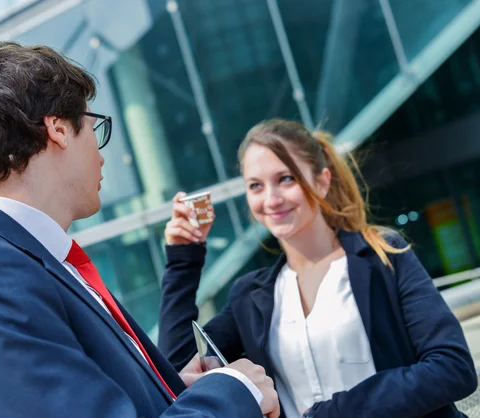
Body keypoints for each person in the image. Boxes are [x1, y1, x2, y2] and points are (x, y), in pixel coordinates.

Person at [0, 40, 280, 418]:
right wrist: (234, 391)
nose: (101, 153)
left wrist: (170, 393)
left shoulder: (24, 263)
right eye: (96, 128)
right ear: (58, 129)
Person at [158, 119, 478, 418]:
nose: (271, 199)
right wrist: (183, 259)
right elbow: (176, 371)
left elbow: (453, 368)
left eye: (286, 179)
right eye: (255, 186)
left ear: (322, 182)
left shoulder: (383, 254)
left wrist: (333, 412)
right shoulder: (252, 296)